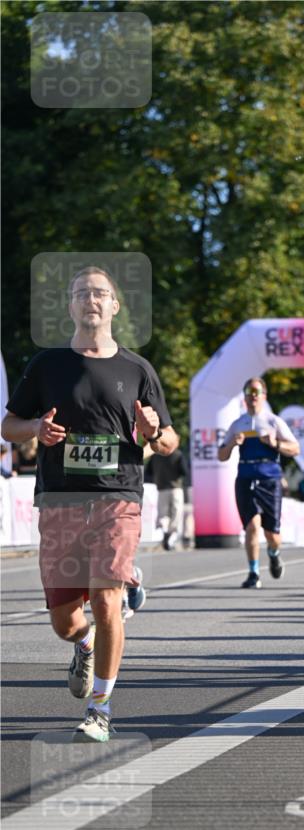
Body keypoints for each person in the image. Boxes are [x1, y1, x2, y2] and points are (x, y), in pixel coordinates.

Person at [1, 265, 177, 743]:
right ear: (71, 306)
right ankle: (83, 645)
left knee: (106, 600)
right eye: (82, 293)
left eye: (100, 293)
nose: (91, 300)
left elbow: (168, 440)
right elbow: (8, 424)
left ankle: (100, 707)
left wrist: (152, 430)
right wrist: (36, 429)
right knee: (64, 621)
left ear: (115, 306)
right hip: (60, 500)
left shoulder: (137, 369)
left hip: (118, 497)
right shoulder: (46, 366)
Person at [218, 377, 299, 589]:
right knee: (252, 527)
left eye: (256, 392)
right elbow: (221, 455)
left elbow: (295, 448)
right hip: (245, 477)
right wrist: (233, 444)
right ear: (244, 397)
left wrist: (275, 443)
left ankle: (274, 553)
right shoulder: (238, 424)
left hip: (269, 479)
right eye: (248, 392)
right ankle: (253, 572)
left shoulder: (273, 421)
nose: (252, 396)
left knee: (272, 534)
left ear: (264, 396)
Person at [146, 434, 189, 550]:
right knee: (176, 512)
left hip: (161, 488)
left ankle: (164, 531)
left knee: (163, 513)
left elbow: (148, 472)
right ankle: (171, 534)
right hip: (176, 487)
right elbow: (184, 471)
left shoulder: (155, 456)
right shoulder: (178, 455)